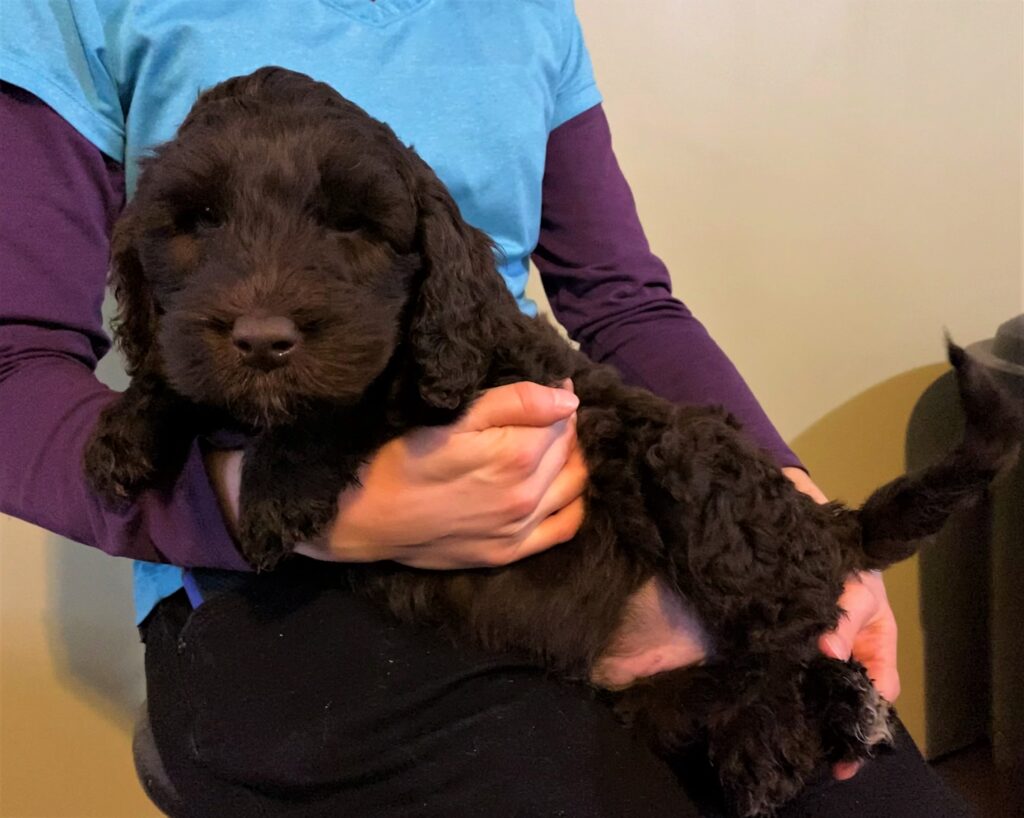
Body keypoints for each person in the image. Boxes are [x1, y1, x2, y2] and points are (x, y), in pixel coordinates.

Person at [0, 2, 967, 815]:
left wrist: (794, 512)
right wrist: (294, 506)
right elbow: (13, 365)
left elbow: (624, 304)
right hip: (269, 580)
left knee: (871, 793)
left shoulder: (527, 11)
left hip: (566, 523)